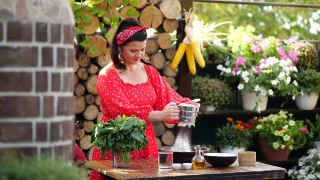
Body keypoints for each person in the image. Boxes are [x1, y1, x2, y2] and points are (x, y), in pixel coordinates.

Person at [90, 18, 200, 179]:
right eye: (133, 50)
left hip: (145, 142)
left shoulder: (150, 72)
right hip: (117, 141)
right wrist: (160, 115)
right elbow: (122, 112)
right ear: (119, 47)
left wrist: (186, 105)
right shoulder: (107, 75)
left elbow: (168, 97)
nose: (139, 55)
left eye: (142, 50)